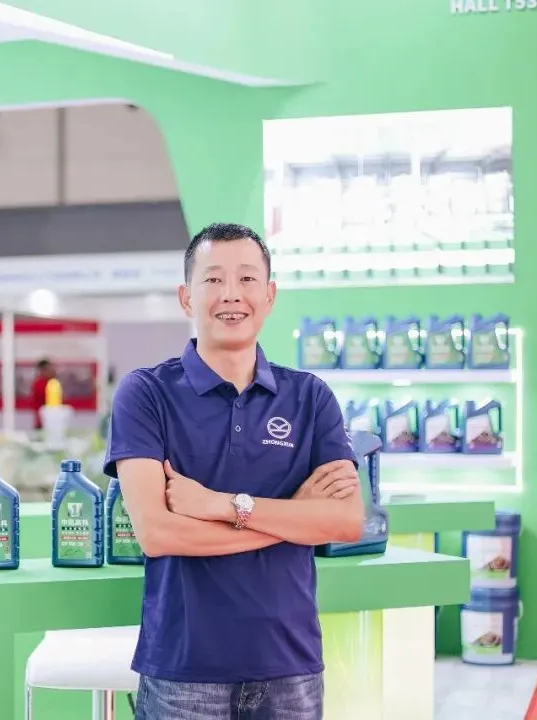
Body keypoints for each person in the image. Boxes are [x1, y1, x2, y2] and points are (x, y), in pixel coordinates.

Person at [103, 223, 364, 720]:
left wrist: (221, 506)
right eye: (213, 279)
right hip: (184, 669)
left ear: (269, 296)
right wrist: (294, 518)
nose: (231, 294)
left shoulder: (310, 397)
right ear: (186, 297)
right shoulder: (146, 394)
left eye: (246, 279)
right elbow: (157, 533)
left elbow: (347, 522)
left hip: (290, 665)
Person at [29, 358, 56, 430]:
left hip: (52, 421)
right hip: (43, 423)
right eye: (50, 369)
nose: (53, 371)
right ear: (42, 371)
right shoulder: (39, 384)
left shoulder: (52, 383)